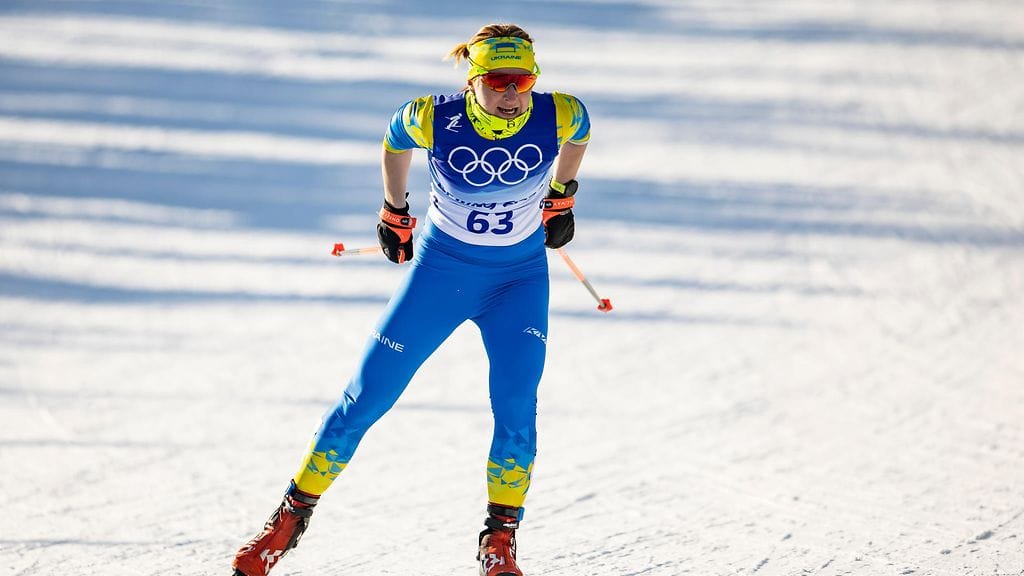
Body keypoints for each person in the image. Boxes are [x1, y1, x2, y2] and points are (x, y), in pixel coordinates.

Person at [231, 22, 590, 576]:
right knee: (366, 397)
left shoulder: (559, 112)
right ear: (474, 81)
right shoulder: (432, 116)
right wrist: (392, 210)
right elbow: (394, 140)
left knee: (517, 411)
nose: (512, 93)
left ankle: (499, 542)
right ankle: (288, 521)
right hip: (441, 273)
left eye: (522, 80)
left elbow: (582, 132)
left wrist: (563, 196)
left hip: (518, 281)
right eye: (498, 81)